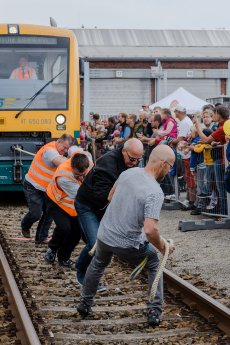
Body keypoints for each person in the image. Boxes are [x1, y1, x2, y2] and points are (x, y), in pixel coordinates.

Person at [76, 145, 175, 326]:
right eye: (170, 166)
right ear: (163, 164)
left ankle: (84, 302)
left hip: (105, 234)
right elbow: (150, 230)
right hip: (127, 243)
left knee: (98, 263)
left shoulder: (128, 173)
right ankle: (154, 310)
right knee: (154, 262)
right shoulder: (155, 191)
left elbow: (111, 197)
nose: (170, 171)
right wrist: (163, 246)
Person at [74, 138, 144, 287]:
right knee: (96, 242)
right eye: (132, 159)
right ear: (124, 151)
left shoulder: (130, 162)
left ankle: (89, 275)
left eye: (139, 159)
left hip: (104, 206)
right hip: (88, 205)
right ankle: (81, 273)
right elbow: (103, 196)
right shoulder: (107, 165)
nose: (135, 162)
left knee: (104, 244)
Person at [21, 134, 74, 244]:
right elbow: (60, 162)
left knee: (49, 213)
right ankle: (25, 225)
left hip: (47, 189)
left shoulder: (62, 153)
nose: (64, 150)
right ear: (58, 142)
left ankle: (41, 237)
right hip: (33, 186)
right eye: (63, 147)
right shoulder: (49, 150)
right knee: (36, 214)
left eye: (67, 149)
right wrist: (77, 161)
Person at [44, 152, 92, 268]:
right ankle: (52, 249)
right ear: (72, 167)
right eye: (77, 175)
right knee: (64, 228)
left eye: (83, 175)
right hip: (56, 201)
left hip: (72, 205)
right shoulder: (63, 177)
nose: (80, 178)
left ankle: (64, 257)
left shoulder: (88, 164)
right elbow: (82, 196)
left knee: (76, 233)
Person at [171, 104, 195, 209]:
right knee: (188, 178)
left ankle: (191, 201)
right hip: (185, 154)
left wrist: (172, 142)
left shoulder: (185, 122)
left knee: (190, 178)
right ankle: (189, 200)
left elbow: (180, 138)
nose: (175, 113)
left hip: (187, 154)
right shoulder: (185, 121)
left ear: (179, 112)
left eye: (175, 111)